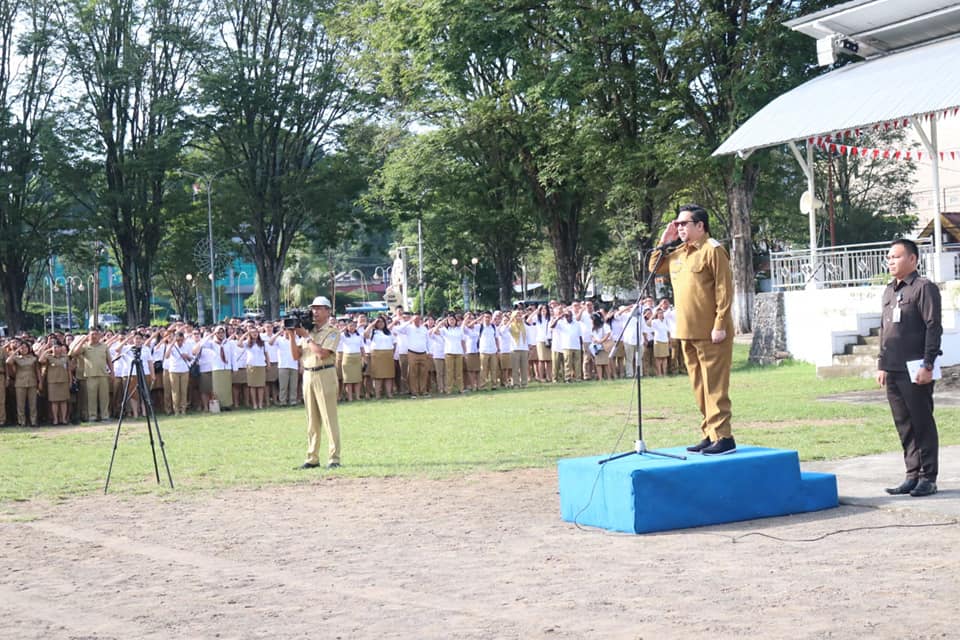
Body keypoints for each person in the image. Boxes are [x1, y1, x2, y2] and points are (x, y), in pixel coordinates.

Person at [651, 203, 736, 456]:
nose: (679, 228)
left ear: (700, 226)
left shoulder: (713, 250)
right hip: (686, 331)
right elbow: (654, 269)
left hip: (711, 332)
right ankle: (709, 434)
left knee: (714, 387)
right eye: (677, 224)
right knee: (699, 387)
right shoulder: (678, 252)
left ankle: (724, 436)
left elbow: (724, 290)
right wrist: (664, 241)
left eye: (684, 224)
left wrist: (720, 324)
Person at [877, 239, 942, 498]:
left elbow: (933, 326)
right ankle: (912, 474)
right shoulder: (889, 291)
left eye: (896, 256)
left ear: (912, 259)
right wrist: (881, 364)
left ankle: (928, 476)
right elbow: (884, 330)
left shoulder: (923, 288)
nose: (891, 261)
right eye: (889, 257)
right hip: (892, 369)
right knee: (903, 423)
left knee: (921, 422)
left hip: (915, 369)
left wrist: (928, 364)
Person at [288, 295, 341, 469]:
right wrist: (292, 335)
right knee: (312, 419)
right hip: (308, 374)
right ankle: (312, 457)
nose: (315, 311)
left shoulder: (332, 331)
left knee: (328, 417)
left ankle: (334, 458)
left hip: (324, 373)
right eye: (313, 308)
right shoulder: (308, 331)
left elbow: (323, 354)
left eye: (319, 308)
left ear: (328, 311)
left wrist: (307, 337)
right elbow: (296, 356)